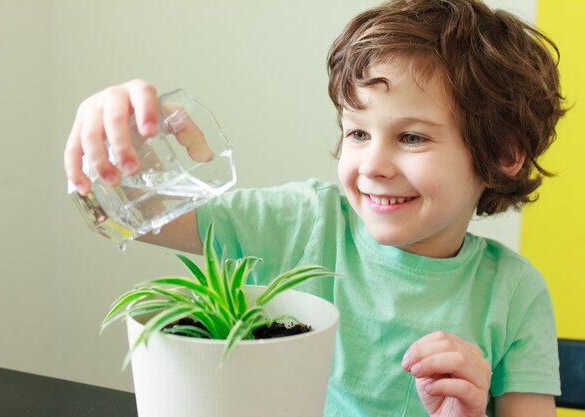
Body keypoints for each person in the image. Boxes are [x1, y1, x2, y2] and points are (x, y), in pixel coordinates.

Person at [64, 0, 566, 416]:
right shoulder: (302, 221)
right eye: (358, 132)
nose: (373, 164)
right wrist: (114, 138)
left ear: (503, 153)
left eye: (411, 137)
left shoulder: (514, 293)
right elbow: (133, 208)